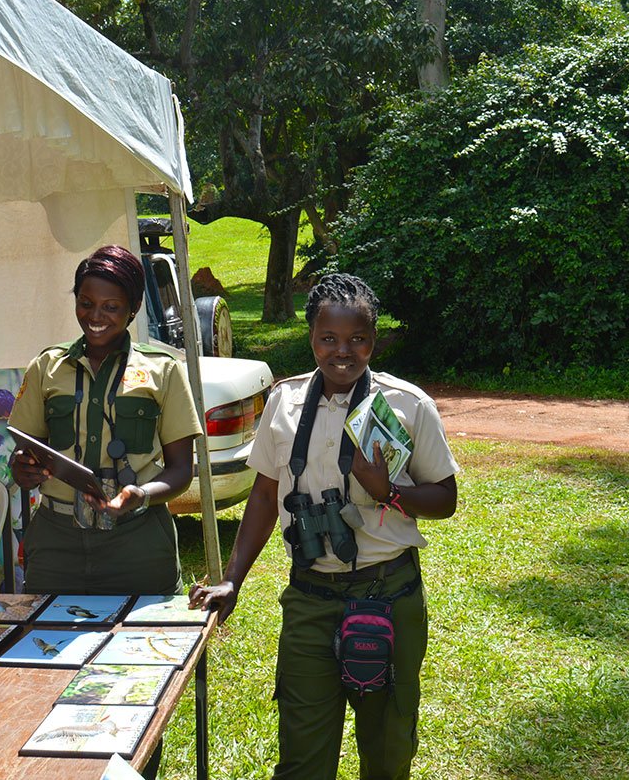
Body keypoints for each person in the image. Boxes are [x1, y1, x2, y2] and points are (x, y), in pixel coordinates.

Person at [189, 273, 458, 780]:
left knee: (386, 751)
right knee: (303, 757)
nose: (343, 352)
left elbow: (446, 498)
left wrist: (389, 492)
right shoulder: (284, 403)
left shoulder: (407, 405)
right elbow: (266, 495)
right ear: (311, 337)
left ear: (373, 340)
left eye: (358, 339)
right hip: (310, 598)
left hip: (388, 594)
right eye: (328, 339)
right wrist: (233, 578)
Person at [8, 244, 203, 596]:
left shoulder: (163, 370)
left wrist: (139, 495)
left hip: (138, 542)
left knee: (144, 645)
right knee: (47, 642)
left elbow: (181, 471)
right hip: (56, 542)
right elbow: (25, 450)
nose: (95, 316)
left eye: (111, 307)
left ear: (134, 309)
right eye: (86, 303)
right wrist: (22, 469)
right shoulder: (46, 367)